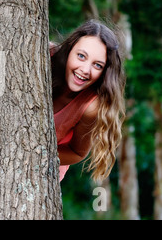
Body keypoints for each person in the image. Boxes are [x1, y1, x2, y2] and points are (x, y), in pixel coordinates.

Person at [50, 20, 125, 182]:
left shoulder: (90, 105)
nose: (85, 70)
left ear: (105, 72)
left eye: (97, 65)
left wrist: (34, 153)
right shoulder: (45, 56)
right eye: (81, 56)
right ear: (69, 50)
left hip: (42, 170)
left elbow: (76, 152)